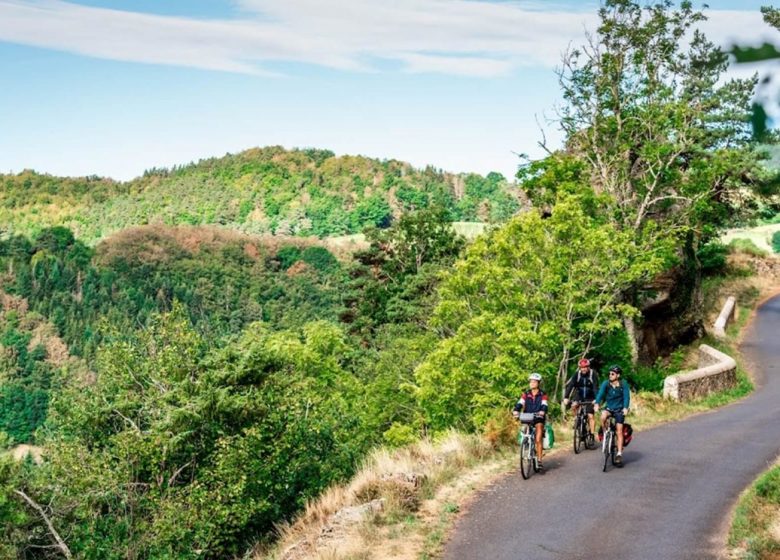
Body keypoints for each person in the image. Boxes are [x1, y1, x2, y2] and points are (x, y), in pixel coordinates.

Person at [594, 364, 630, 467]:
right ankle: (605, 432)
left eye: (612, 374)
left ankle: (619, 453)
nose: (610, 375)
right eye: (609, 374)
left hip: (619, 409)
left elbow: (626, 397)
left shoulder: (623, 384)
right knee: (603, 416)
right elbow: (600, 394)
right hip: (609, 408)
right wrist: (597, 403)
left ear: (618, 375)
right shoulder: (606, 383)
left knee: (619, 431)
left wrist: (625, 408)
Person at [512, 373, 548, 469]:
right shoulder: (526, 394)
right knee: (524, 430)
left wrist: (542, 411)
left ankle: (539, 459)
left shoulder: (542, 394)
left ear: (538, 383)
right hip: (527, 416)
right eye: (530, 381)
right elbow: (520, 403)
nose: (532, 383)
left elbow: (545, 404)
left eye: (534, 382)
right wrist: (516, 410)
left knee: (538, 437)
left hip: (538, 417)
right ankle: (526, 444)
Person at [563, 358, 599, 440]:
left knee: (590, 416)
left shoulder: (593, 374)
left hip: (590, 396)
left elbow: (595, 388)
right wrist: (566, 397)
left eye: (585, 367)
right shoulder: (577, 374)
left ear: (588, 367)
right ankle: (577, 419)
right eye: (582, 367)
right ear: (579, 368)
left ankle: (592, 435)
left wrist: (596, 400)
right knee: (574, 405)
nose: (583, 369)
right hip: (579, 395)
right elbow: (571, 385)